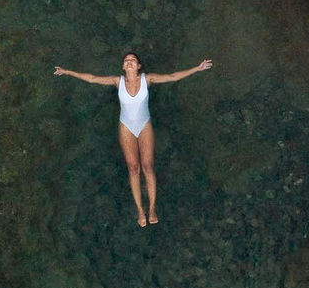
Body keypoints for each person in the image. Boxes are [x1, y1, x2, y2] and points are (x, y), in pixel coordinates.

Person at [53, 52, 213, 226]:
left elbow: (172, 77)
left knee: (148, 167)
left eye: (133, 60)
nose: (129, 62)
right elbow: (92, 78)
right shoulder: (118, 81)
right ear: (123, 67)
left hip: (144, 125)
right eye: (126, 60)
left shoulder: (148, 79)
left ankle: (152, 208)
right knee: (133, 168)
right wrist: (67, 72)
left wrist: (198, 68)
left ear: (138, 66)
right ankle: (140, 210)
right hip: (126, 127)